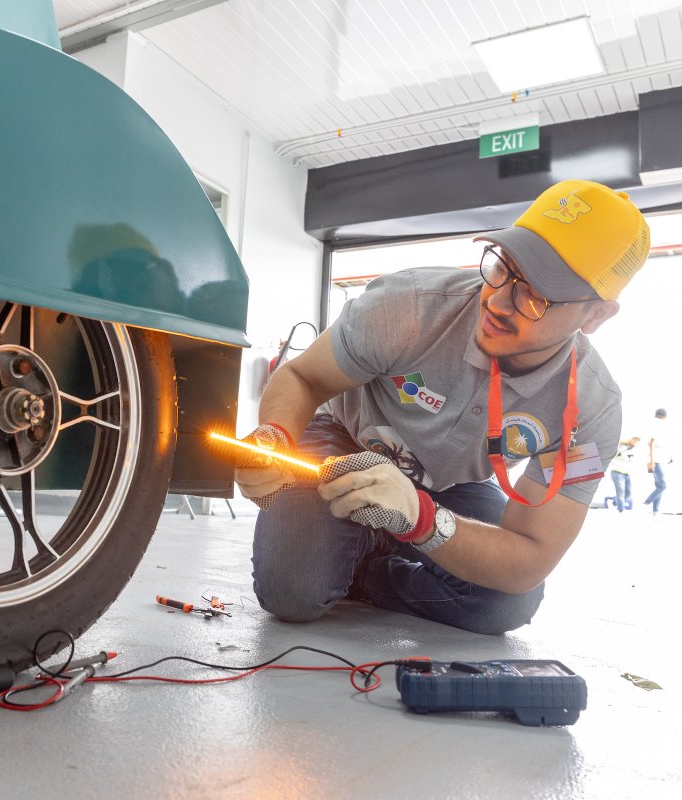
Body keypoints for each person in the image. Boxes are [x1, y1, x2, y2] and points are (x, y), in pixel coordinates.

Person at [237, 180, 650, 635]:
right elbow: (302, 376)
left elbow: (530, 554)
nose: (497, 300)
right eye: (503, 268)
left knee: (504, 604)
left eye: (536, 296)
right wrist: (274, 436)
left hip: (444, 486)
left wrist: (421, 519)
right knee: (293, 593)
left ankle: (372, 564)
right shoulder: (408, 307)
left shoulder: (591, 409)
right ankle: (351, 546)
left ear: (595, 316)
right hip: (339, 446)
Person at [642, 408, 669, 515]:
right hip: (656, 460)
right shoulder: (658, 425)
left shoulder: (652, 424)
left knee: (659, 486)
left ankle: (655, 510)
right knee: (663, 485)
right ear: (665, 416)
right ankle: (646, 502)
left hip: (657, 459)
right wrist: (652, 461)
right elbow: (652, 443)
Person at [609, 436, 640, 512]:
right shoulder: (621, 447)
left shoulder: (634, 450)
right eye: (635, 441)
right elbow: (615, 447)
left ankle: (615, 501)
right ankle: (621, 510)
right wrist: (626, 442)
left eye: (637, 442)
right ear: (631, 440)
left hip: (627, 474)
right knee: (621, 492)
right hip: (617, 472)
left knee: (628, 494)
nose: (636, 443)